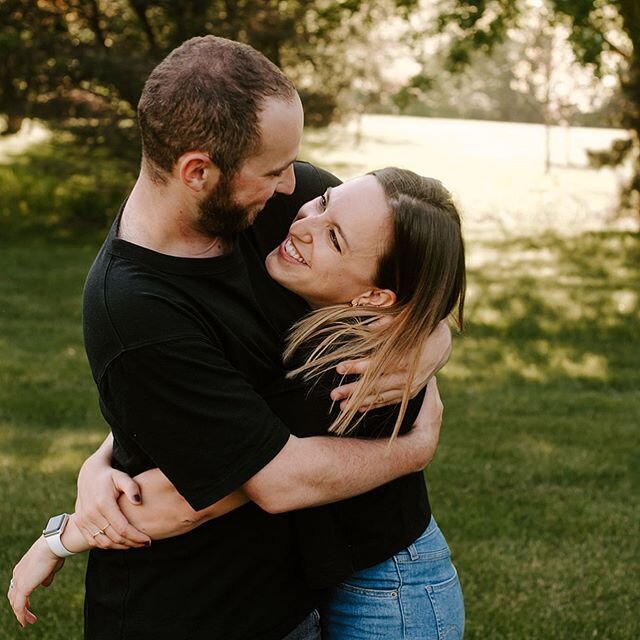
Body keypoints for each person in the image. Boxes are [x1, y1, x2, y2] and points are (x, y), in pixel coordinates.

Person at [7, 36, 450, 640]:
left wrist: (428, 337)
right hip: (191, 607)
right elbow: (255, 462)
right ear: (198, 172)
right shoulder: (136, 309)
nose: (297, 189)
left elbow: (407, 273)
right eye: (273, 170)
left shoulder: (285, 213)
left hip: (310, 588)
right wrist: (98, 467)